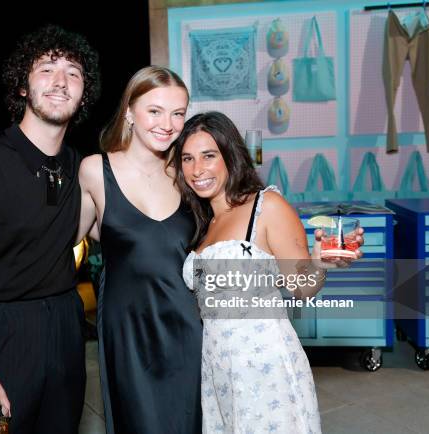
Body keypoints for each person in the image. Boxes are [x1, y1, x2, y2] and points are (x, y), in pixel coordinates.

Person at [0, 25, 100, 434]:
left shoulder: (79, 167)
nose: (61, 81)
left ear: (84, 93)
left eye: (73, 72)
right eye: (46, 68)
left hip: (64, 323)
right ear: (22, 87)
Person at [174, 111, 364, 434]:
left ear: (230, 156)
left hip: (266, 367)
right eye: (188, 158)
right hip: (218, 368)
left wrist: (319, 263)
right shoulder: (204, 223)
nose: (197, 169)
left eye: (209, 156)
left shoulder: (266, 206)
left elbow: (302, 287)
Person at [77, 66, 202, 434]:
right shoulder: (94, 171)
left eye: (178, 113)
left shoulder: (187, 172)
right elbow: (65, 240)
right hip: (128, 329)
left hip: (188, 325)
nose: (168, 124)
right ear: (130, 112)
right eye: (155, 111)